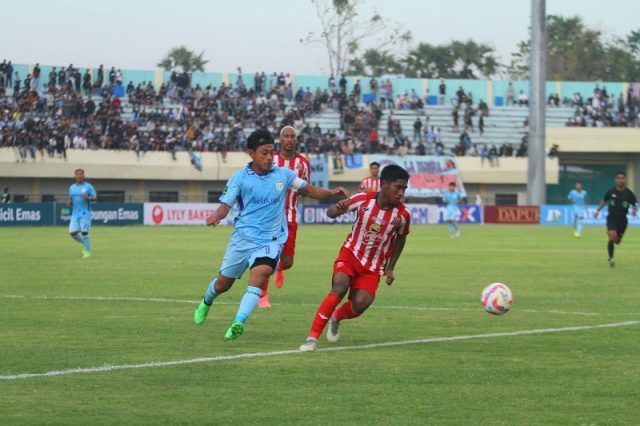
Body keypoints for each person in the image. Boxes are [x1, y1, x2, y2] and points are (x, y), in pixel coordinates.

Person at [193, 130, 348, 341]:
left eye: (271, 153)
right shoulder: (239, 179)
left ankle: (238, 322)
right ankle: (206, 301)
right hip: (243, 239)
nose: (269, 158)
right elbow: (225, 206)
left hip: (270, 240)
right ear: (251, 153)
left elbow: (310, 190)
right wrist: (215, 216)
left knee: (260, 275)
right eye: (264, 153)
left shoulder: (283, 175)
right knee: (223, 284)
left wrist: (331, 193)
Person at [299, 165, 410, 351]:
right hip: (350, 254)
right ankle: (312, 338)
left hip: (373, 267)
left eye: (404, 189)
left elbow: (401, 239)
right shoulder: (362, 199)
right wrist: (338, 208)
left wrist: (390, 267)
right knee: (339, 287)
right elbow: (331, 212)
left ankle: (336, 317)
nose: (401, 193)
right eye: (398, 187)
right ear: (384, 184)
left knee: (361, 303)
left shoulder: (403, 215)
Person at [258, 126, 311, 308]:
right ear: (279, 139)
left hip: (291, 216)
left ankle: (280, 268)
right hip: (270, 217)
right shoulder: (270, 161)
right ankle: (262, 295)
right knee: (268, 256)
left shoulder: (303, 163)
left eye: (292, 136)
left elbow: (306, 188)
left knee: (287, 262)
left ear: (296, 140)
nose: (289, 139)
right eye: (285, 136)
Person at [594, 172, 637, 267]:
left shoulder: (628, 193)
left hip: (623, 220)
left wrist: (634, 209)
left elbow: (635, 202)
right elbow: (604, 200)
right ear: (615, 180)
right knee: (612, 236)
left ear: (625, 180)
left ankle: (614, 240)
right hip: (612, 218)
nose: (620, 180)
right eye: (618, 178)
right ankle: (611, 258)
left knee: (617, 241)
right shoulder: (610, 191)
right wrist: (598, 210)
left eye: (622, 178)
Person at [67, 169, 97, 258]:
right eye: (77, 174)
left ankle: (87, 252)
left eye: (81, 174)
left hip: (85, 213)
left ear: (84, 176)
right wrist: (69, 202)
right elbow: (71, 198)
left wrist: (88, 198)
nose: (79, 176)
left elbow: (95, 198)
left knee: (84, 232)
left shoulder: (88, 187)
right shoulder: (72, 187)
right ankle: (86, 244)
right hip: (75, 213)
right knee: (72, 233)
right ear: (74, 176)